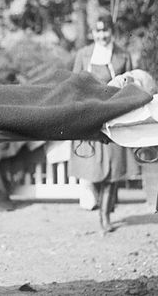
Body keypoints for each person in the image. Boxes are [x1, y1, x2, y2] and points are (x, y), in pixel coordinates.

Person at [68, 14, 134, 233]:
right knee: (92, 167)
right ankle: (100, 203)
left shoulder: (122, 54)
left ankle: (105, 216)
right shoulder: (83, 54)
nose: (102, 35)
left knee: (113, 168)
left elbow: (131, 84)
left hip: (114, 114)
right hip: (89, 116)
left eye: (105, 31)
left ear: (111, 31)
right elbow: (74, 85)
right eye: (98, 31)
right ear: (92, 33)